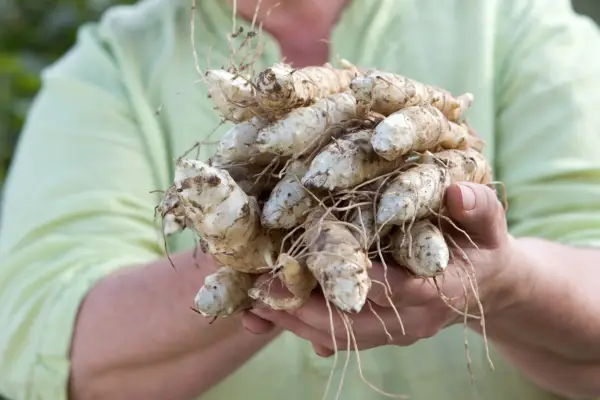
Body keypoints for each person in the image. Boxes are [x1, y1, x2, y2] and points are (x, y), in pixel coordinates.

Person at [1, 0, 600, 399]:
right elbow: (47, 348)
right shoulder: (110, 65)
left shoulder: (518, 23)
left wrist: (508, 282)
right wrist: (252, 250)